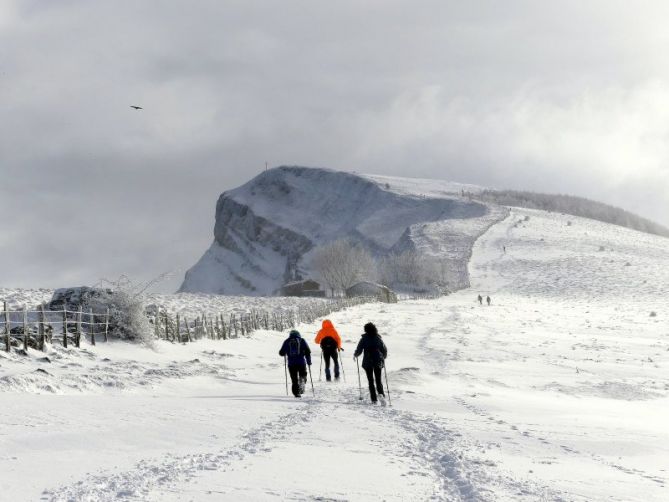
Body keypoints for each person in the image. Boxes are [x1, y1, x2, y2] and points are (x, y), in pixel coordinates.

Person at [354, 322, 388, 403]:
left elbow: (359, 349)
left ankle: (374, 399)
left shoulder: (364, 339)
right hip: (378, 361)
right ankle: (381, 394)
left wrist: (356, 355)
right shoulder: (378, 338)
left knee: (370, 381)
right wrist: (383, 357)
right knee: (378, 380)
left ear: (366, 330)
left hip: (367, 361)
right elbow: (384, 349)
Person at [279, 329, 312, 398]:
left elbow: (281, 352)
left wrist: (284, 353)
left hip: (291, 364)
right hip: (301, 362)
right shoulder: (302, 340)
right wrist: (309, 362)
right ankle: (302, 381)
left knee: (294, 379)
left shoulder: (287, 341)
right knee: (303, 375)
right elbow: (308, 351)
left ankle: (297, 394)